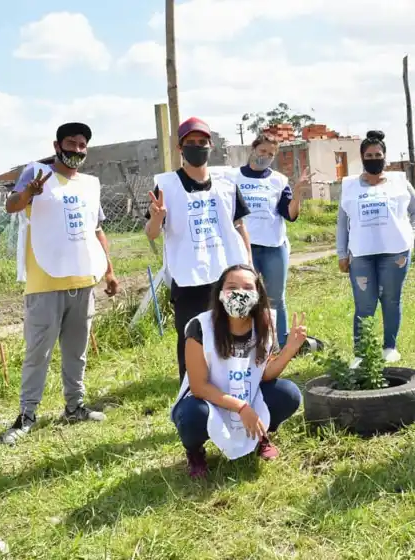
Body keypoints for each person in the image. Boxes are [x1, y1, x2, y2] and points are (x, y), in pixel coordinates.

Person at [0, 122, 119, 445]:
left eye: (82, 145)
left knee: (76, 351)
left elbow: (97, 230)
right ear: (57, 145)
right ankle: (27, 415)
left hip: (83, 282)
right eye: (71, 143)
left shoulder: (90, 185)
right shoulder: (36, 173)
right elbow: (11, 206)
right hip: (44, 283)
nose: (77, 150)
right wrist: (28, 194)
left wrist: (109, 271)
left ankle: (75, 406)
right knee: (38, 352)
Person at [171, 264, 305, 478]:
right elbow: (198, 386)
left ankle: (260, 437)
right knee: (191, 416)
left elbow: (266, 374)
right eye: (232, 287)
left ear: (257, 294)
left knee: (288, 394)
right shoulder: (200, 327)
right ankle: (195, 452)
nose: (239, 293)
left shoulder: (264, 323)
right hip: (209, 400)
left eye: (247, 287)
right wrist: (241, 407)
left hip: (247, 393)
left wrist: (289, 350)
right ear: (220, 293)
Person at [145, 117, 252, 382]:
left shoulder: (226, 183)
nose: (197, 147)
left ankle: (232, 387)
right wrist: (157, 217)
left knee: (233, 335)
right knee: (192, 338)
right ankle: (192, 395)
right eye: (190, 142)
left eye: (202, 142)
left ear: (211, 145)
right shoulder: (167, 186)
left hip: (228, 275)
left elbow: (239, 227)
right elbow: (152, 233)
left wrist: (250, 268)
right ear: (180, 147)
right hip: (188, 278)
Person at [336, 130, 415, 364]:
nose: (374, 158)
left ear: (385, 156)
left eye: (378, 154)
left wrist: (412, 235)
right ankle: (361, 353)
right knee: (364, 304)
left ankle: (390, 347)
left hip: (395, 254)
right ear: (362, 158)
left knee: (391, 299)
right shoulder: (350, 185)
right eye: (369, 155)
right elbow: (342, 222)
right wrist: (342, 253)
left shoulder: (399, 181)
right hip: (361, 255)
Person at [232, 133, 310, 348]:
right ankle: (246, 343)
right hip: (244, 248)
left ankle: (280, 344)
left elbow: (290, 215)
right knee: (245, 297)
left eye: (271, 154)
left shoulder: (278, 180)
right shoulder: (233, 178)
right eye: (263, 151)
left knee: (276, 299)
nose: (265, 156)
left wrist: (297, 195)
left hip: (274, 248)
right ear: (253, 148)